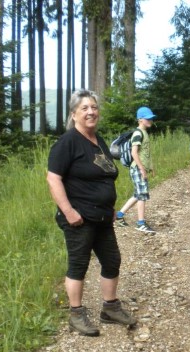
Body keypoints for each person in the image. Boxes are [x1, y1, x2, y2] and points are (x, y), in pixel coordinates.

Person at [47, 89, 136, 336]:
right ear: (73, 114)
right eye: (84, 108)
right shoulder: (68, 142)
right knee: (79, 264)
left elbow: (102, 176)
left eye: (94, 107)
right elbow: (53, 178)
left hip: (102, 216)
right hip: (79, 218)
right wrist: (68, 211)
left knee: (112, 261)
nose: (91, 112)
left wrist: (110, 207)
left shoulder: (98, 140)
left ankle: (110, 308)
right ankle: (76, 314)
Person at [115, 106, 157, 234]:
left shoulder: (144, 132)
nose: (150, 120)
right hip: (137, 169)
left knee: (138, 194)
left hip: (140, 168)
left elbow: (145, 152)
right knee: (142, 195)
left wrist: (151, 167)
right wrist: (142, 169)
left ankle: (119, 215)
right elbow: (134, 153)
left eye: (151, 118)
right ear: (140, 119)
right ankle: (141, 223)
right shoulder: (138, 133)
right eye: (147, 118)